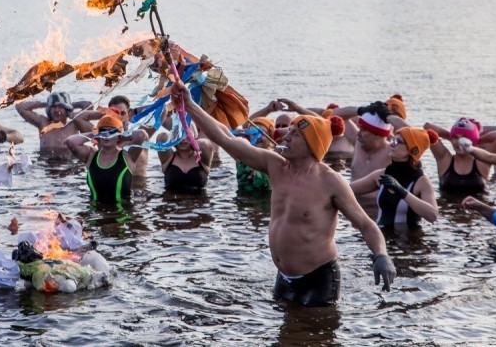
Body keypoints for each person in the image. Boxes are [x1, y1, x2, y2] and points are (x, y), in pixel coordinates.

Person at [170, 80, 396, 306]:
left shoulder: (330, 181)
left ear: (312, 145)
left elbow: (366, 224)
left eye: (295, 134)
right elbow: (226, 138)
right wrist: (189, 104)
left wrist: (381, 255)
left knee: (315, 338)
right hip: (284, 278)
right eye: (288, 131)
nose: (285, 137)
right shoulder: (274, 165)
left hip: (319, 279)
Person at [350, 127, 439, 229]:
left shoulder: (421, 182)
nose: (391, 144)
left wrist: (401, 191)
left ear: (411, 150)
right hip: (382, 236)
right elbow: (346, 189)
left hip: (407, 241)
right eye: (393, 140)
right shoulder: (381, 175)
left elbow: (433, 216)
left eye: (397, 141)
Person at [65, 113, 148, 204]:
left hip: (122, 214)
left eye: (111, 131)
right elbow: (70, 141)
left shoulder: (127, 155)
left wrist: (120, 134)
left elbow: (141, 135)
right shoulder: (91, 156)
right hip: (96, 213)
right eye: (103, 131)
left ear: (119, 135)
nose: (107, 135)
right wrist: (94, 134)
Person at [424, 117, 496, 195]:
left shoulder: (482, 160)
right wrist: (450, 137)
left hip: (477, 209)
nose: (459, 141)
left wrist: (475, 142)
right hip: (448, 209)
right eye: (455, 137)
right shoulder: (444, 158)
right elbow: (427, 127)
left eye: (465, 137)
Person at [15, 92, 95, 157]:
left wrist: (71, 106)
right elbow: (20, 107)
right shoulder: (43, 123)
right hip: (44, 164)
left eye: (61, 107)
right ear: (49, 109)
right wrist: (45, 103)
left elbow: (89, 105)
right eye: (53, 107)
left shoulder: (74, 125)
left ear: (67, 109)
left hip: (67, 164)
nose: (57, 110)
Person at [157, 122, 214, 194]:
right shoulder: (168, 157)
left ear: (194, 137)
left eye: (187, 134)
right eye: (180, 134)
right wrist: (173, 136)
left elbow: (204, 144)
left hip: (199, 203)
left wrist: (193, 141)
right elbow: (162, 138)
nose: (183, 139)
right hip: (172, 203)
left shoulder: (201, 158)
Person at [233, 117, 274, 196]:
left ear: (270, 139)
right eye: (254, 133)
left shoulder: (276, 157)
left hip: (265, 202)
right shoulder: (242, 156)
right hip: (244, 203)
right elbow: (227, 135)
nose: (258, 136)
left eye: (263, 133)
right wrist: (239, 131)